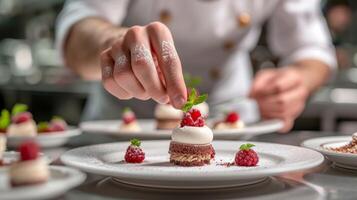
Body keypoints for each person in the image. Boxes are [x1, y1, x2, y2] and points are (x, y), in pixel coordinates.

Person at [56, 0, 336, 132]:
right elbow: (78, 31)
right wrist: (112, 43)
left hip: (230, 127)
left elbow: (312, 50)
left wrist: (297, 80)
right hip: (122, 126)